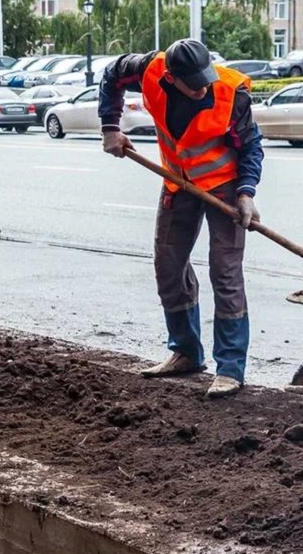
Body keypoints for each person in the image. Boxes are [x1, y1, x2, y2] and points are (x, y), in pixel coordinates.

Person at [98, 39, 264, 399]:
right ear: (172, 78)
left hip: (224, 188)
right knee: (168, 265)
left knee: (225, 273)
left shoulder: (231, 93)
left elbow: (251, 145)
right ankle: (186, 352)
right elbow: (110, 75)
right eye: (195, 84)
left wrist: (246, 194)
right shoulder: (148, 69)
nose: (203, 88)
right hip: (177, 182)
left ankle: (230, 368)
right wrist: (110, 127)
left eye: (206, 79)